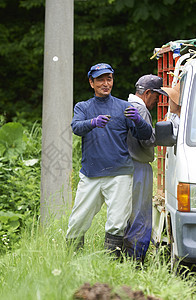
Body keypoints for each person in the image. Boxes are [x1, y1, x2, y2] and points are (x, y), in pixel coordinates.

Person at [66, 63, 153, 257]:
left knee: (117, 223)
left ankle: (110, 265)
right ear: (91, 83)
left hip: (120, 173)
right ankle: (71, 261)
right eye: (100, 80)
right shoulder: (83, 107)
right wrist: (92, 123)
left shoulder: (124, 107)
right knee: (77, 221)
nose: (106, 83)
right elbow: (76, 127)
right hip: (91, 174)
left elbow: (146, 135)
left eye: (109, 79)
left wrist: (139, 121)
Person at [123, 74, 168, 263]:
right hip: (139, 167)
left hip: (127, 166)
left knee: (128, 214)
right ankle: (136, 261)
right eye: (156, 97)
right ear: (147, 93)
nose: (157, 101)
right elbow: (147, 140)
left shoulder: (126, 104)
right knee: (140, 215)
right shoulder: (140, 109)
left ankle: (124, 258)